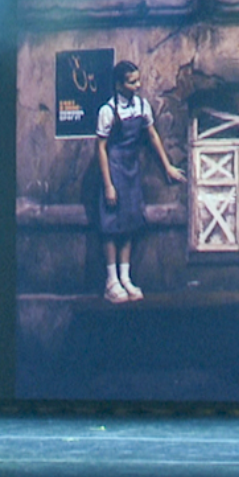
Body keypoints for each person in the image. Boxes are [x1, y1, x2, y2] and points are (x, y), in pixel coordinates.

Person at [96, 60, 186, 303]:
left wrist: (167, 166)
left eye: (138, 80)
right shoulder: (107, 111)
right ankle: (111, 281)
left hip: (131, 170)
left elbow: (152, 135)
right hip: (114, 169)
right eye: (131, 82)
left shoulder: (141, 106)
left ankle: (125, 277)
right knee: (111, 225)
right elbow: (101, 148)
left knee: (129, 222)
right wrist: (108, 185)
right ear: (119, 85)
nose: (137, 85)